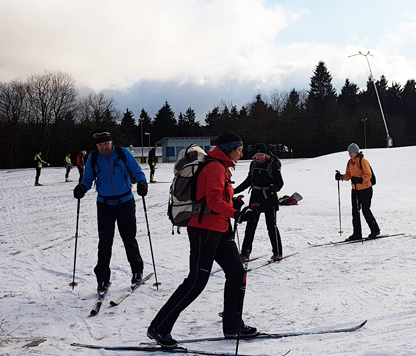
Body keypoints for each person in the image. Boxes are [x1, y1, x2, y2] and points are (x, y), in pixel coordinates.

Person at [147, 132, 258, 348]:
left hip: (220, 229)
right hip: (204, 231)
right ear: (229, 149)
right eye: (239, 149)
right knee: (196, 281)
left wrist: (234, 203)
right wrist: (237, 214)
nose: (242, 153)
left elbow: (216, 198)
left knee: (237, 273)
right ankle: (159, 327)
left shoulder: (221, 166)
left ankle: (233, 325)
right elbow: (214, 201)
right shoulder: (215, 167)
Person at [72, 132, 148, 294]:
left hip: (125, 203)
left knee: (129, 239)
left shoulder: (122, 153)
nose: (104, 148)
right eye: (100, 145)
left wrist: (142, 182)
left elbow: (137, 170)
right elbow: (87, 179)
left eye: (106, 144)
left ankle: (137, 271)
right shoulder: (93, 158)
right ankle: (102, 279)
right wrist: (82, 188)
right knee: (105, 242)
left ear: (112, 142)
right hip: (104, 204)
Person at [234, 143, 284, 262]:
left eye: (261, 154)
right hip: (255, 197)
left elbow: (280, 183)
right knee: (250, 225)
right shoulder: (253, 165)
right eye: (257, 154)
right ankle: (245, 253)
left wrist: (273, 189)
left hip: (269, 198)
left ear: (266, 155)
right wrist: (234, 191)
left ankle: (277, 252)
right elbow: (248, 181)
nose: (259, 157)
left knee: (271, 226)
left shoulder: (272, 165)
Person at [335, 143, 380, 240]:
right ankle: (357, 234)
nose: (349, 154)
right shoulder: (350, 162)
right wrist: (341, 177)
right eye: (349, 152)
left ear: (356, 152)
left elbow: (368, 175)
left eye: (351, 152)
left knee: (365, 210)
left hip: (366, 189)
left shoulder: (363, 161)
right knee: (355, 211)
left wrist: (360, 180)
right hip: (355, 190)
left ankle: (375, 230)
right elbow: (348, 176)